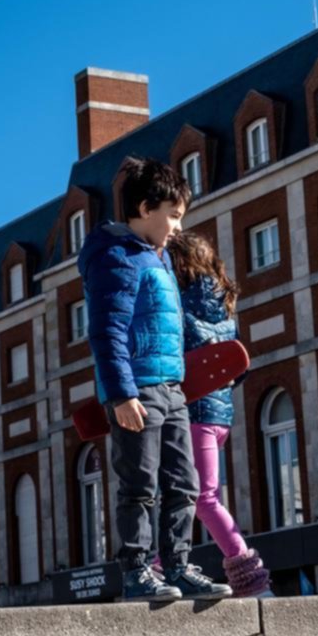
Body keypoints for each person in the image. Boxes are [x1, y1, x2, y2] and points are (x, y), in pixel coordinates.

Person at [78, 157, 231, 601]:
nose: (178, 227)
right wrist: (122, 394)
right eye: (174, 215)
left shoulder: (158, 259)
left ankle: (178, 566)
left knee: (183, 482)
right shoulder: (116, 258)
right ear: (146, 208)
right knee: (140, 484)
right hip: (137, 392)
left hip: (172, 389)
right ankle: (136, 571)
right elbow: (106, 333)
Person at [167, 231, 273, 598]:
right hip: (220, 417)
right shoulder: (225, 306)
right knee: (180, 491)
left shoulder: (178, 303)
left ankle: (250, 577)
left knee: (202, 497)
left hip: (194, 415)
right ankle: (159, 563)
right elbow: (238, 367)